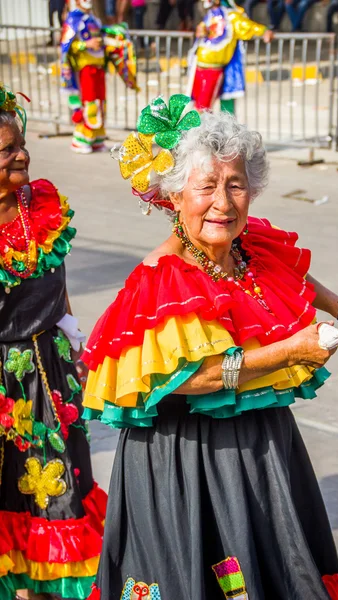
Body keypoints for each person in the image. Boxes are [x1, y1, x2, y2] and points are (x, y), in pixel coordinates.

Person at [82, 93, 338, 599]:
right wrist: (289, 352)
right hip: (188, 459)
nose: (223, 203)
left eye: (236, 185)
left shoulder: (249, 248)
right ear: (175, 195)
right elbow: (190, 377)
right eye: (206, 187)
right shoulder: (163, 278)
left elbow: (295, 275)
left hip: (262, 441)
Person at [0, 83, 107, 600]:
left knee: (56, 489)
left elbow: (58, 287)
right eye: (6, 150)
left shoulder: (40, 205)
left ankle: (46, 588)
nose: (20, 154)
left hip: (48, 371)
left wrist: (75, 341)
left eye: (21, 144)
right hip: (0, 381)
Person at [188, 0, 273, 114]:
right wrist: (201, 31)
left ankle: (206, 130)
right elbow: (203, 29)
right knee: (198, 105)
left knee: (204, 108)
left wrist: (264, 31)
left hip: (214, 69)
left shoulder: (231, 16)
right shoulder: (210, 15)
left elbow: (248, 26)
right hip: (199, 66)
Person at [61, 0, 107, 154]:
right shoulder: (73, 19)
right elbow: (66, 46)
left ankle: (96, 139)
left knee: (100, 102)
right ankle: (81, 139)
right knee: (89, 103)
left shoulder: (94, 19)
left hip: (98, 68)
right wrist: (86, 45)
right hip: (84, 70)